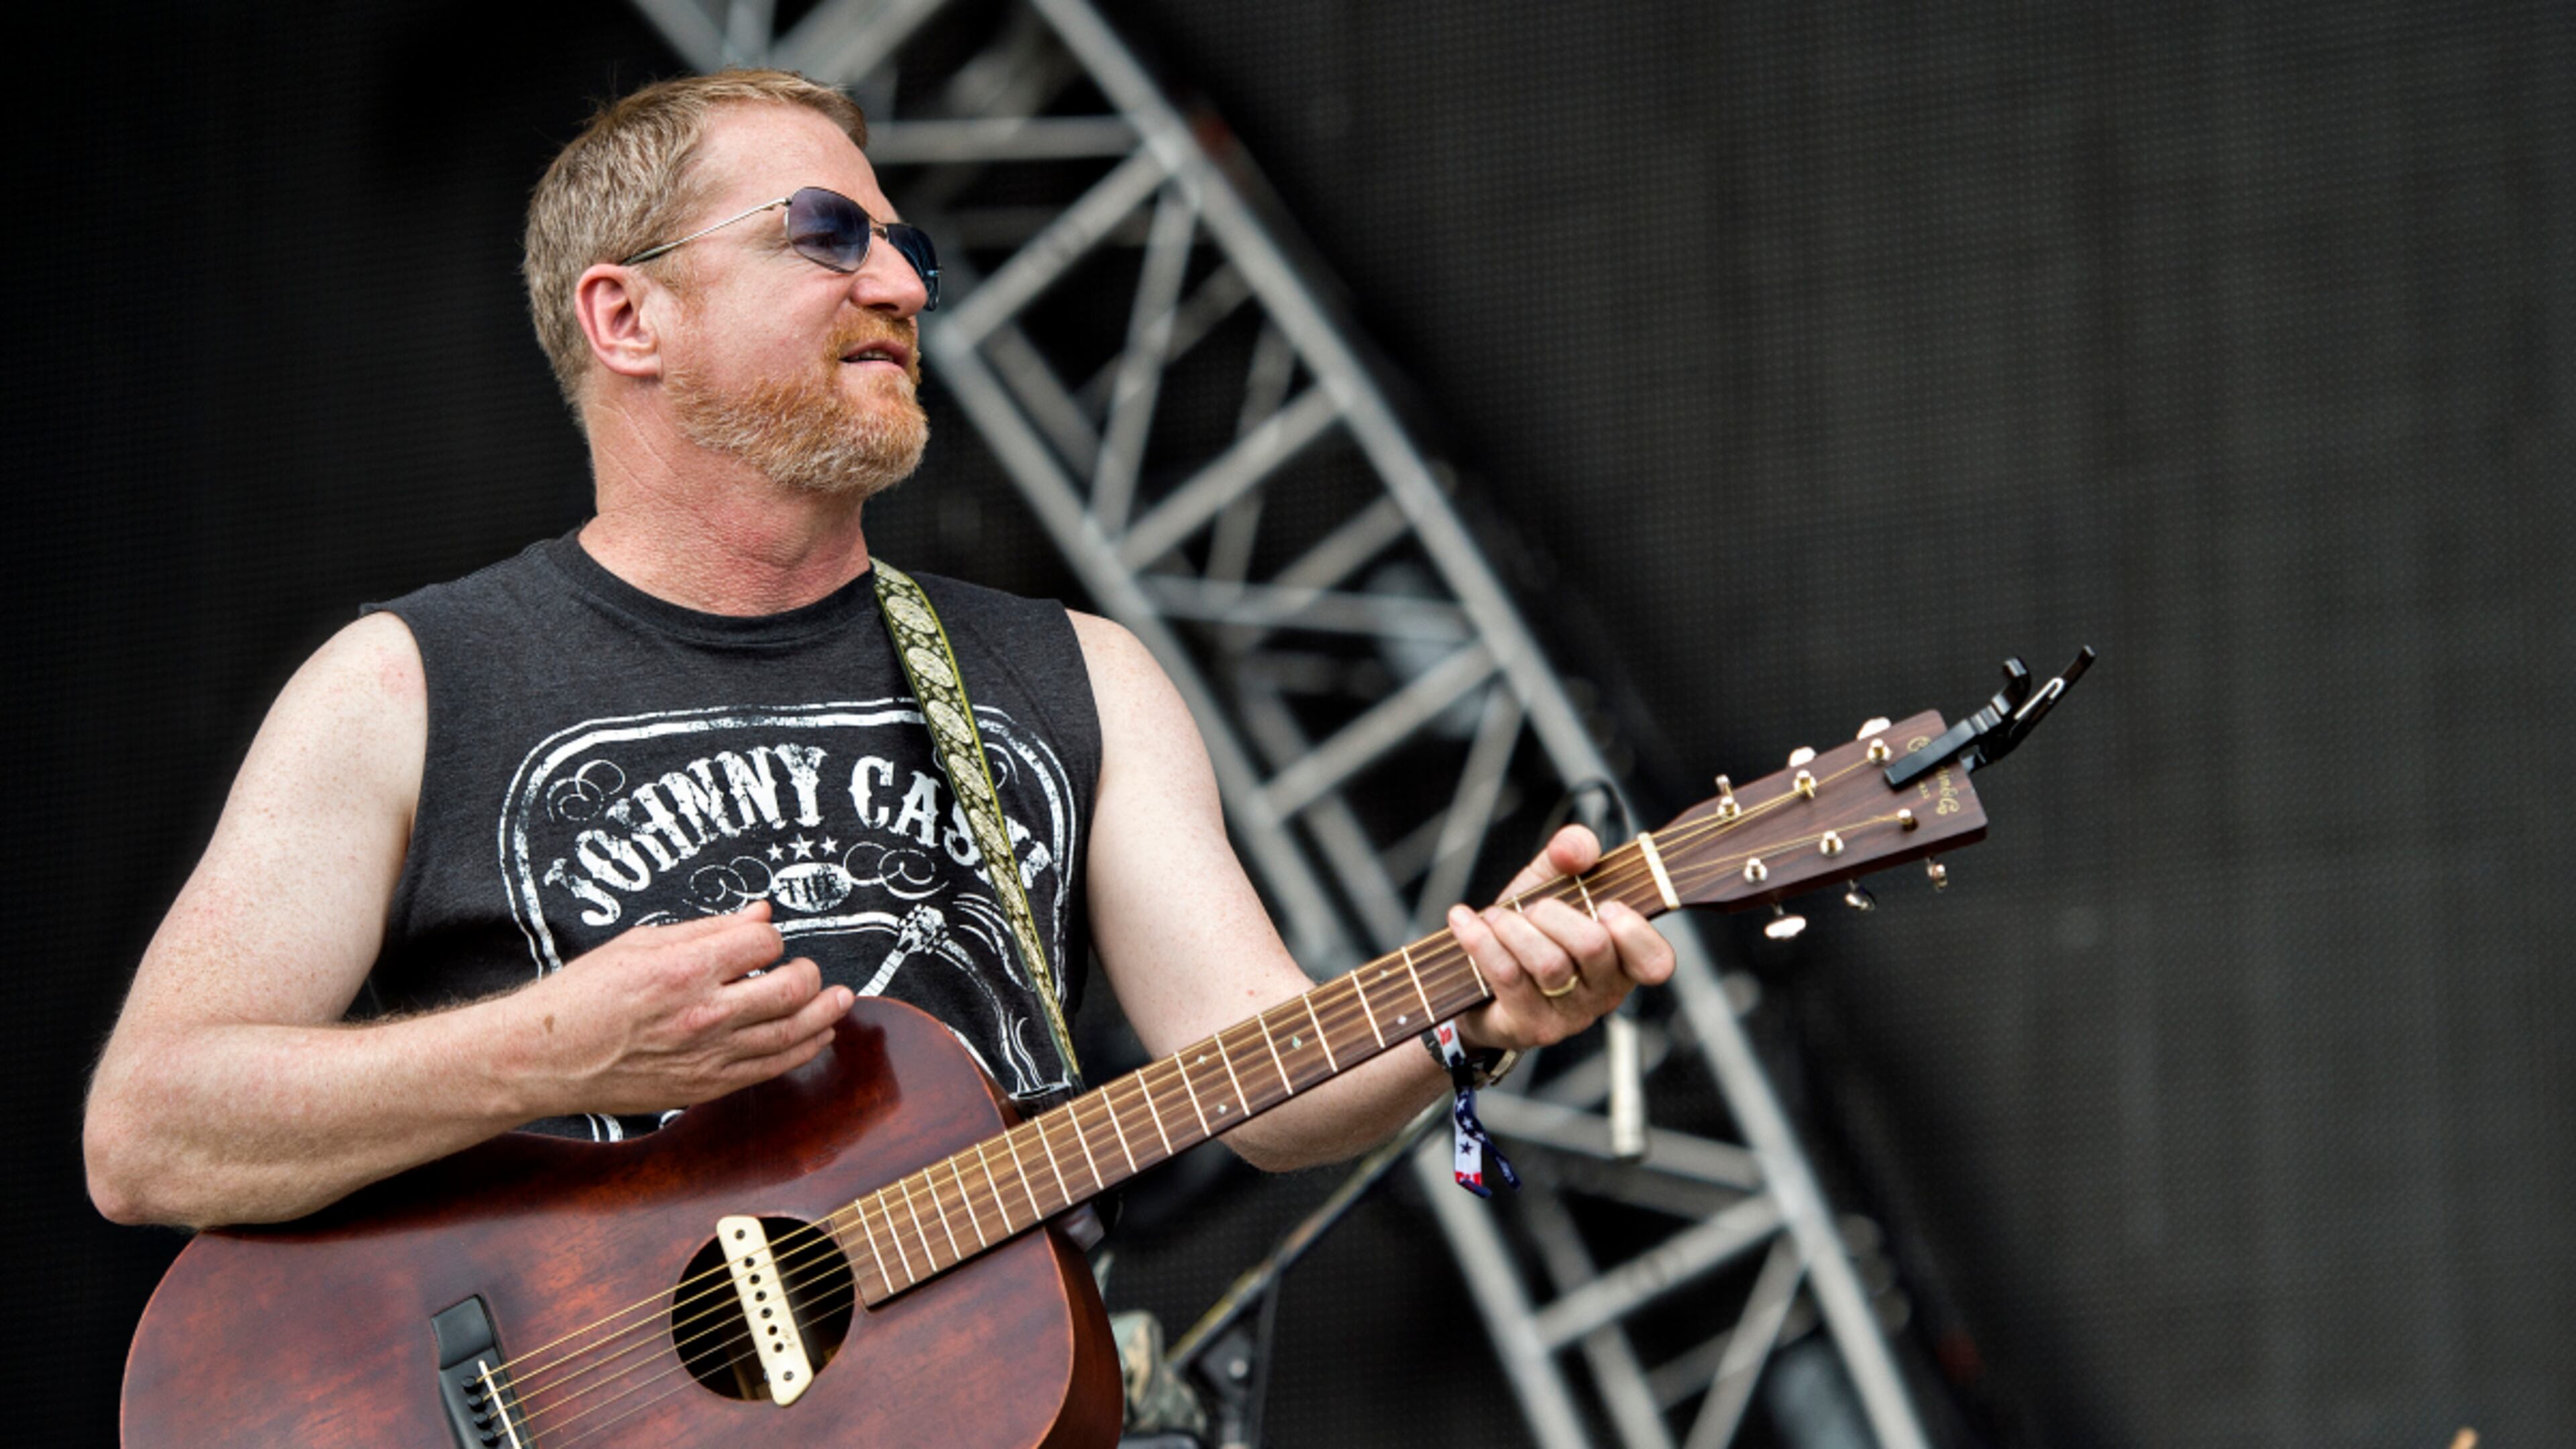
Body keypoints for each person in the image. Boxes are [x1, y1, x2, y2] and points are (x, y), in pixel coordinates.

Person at [81, 68, 1672, 1232]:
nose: (904, 284)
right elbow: (149, 1135)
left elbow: (1265, 1082)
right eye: (829, 234)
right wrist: (544, 1052)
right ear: (628, 317)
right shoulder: (402, 688)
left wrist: (1465, 1006)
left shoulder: (1078, 677)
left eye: (907, 245)